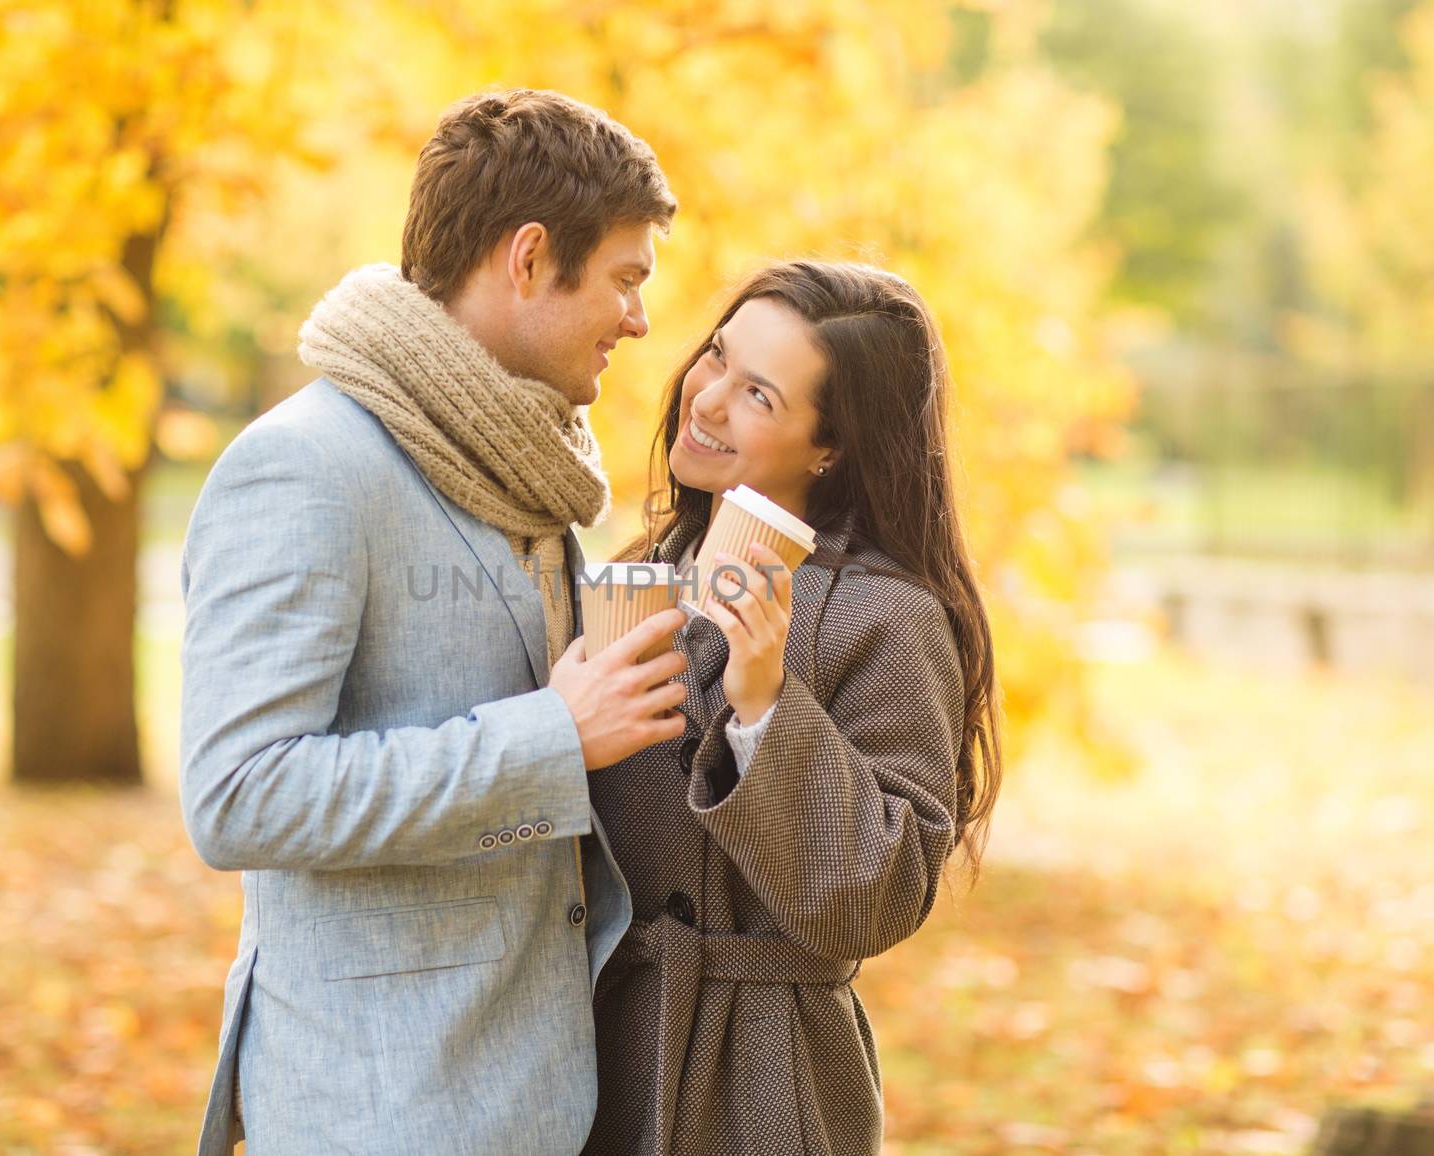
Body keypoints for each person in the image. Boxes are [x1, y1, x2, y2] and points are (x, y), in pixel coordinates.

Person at [177, 89, 684, 1155]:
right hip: (377, 1108)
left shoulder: (524, 464)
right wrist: (552, 738)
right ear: (530, 257)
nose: (639, 318)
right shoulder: (307, 468)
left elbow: (515, 814)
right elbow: (238, 795)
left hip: (540, 1094)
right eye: (626, 279)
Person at [579, 261, 1005, 1156]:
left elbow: (876, 901)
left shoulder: (887, 615)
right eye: (716, 359)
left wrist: (766, 703)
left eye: (759, 395)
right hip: (592, 1051)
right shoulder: (643, 568)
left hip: (765, 1081)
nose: (707, 400)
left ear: (831, 446)